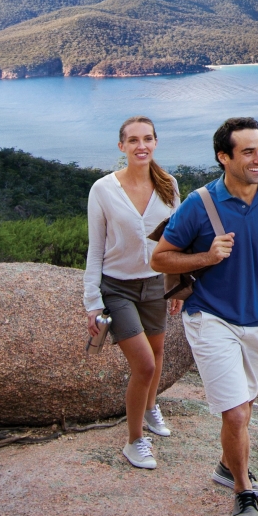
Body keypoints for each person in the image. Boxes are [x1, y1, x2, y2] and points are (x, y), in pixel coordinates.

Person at [151, 117, 258, 516]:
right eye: (249, 152)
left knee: (245, 405)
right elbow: (160, 258)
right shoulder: (200, 204)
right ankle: (242, 490)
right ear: (224, 157)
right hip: (209, 315)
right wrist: (206, 256)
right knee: (236, 414)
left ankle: (227, 465)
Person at [84, 115, 181, 469]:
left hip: (155, 283)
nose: (142, 146)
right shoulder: (103, 189)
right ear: (121, 146)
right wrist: (92, 301)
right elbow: (96, 248)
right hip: (117, 288)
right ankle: (134, 440)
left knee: (158, 352)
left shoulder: (168, 184)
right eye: (134, 140)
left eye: (148, 139)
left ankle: (151, 406)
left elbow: (177, 241)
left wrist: (177, 285)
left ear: (155, 142)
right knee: (144, 364)